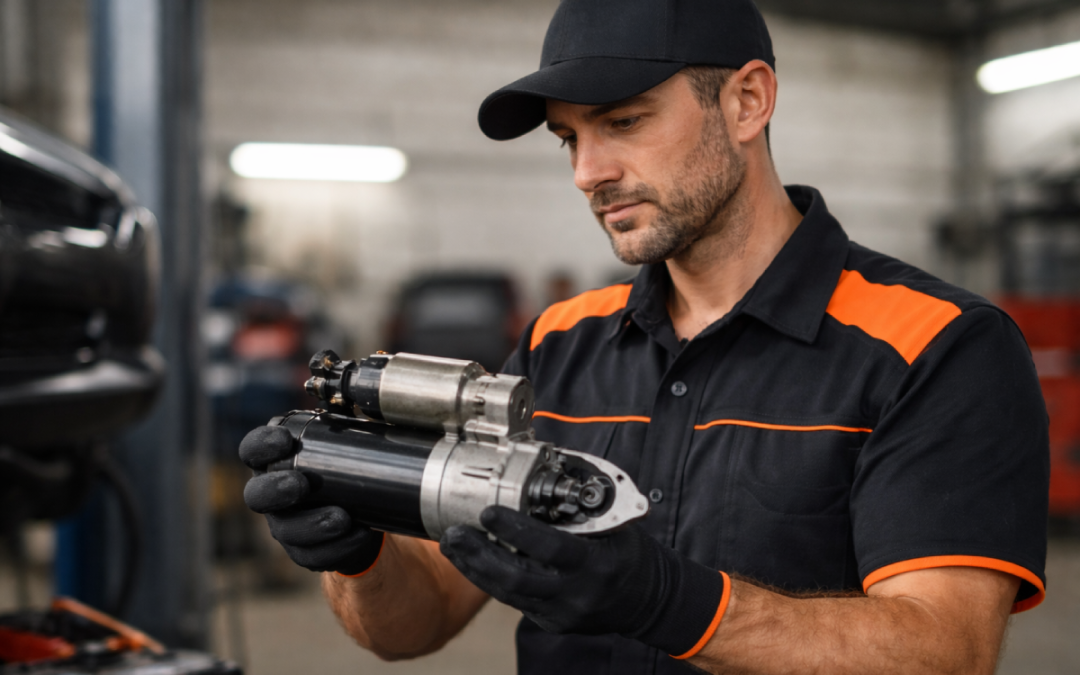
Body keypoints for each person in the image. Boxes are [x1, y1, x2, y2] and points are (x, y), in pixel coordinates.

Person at [239, 1, 1050, 673]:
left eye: (622, 121)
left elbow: (946, 652)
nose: (588, 171)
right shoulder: (561, 343)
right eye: (569, 138)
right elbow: (414, 624)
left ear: (746, 101)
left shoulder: (937, 345)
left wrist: (671, 600)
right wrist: (357, 553)